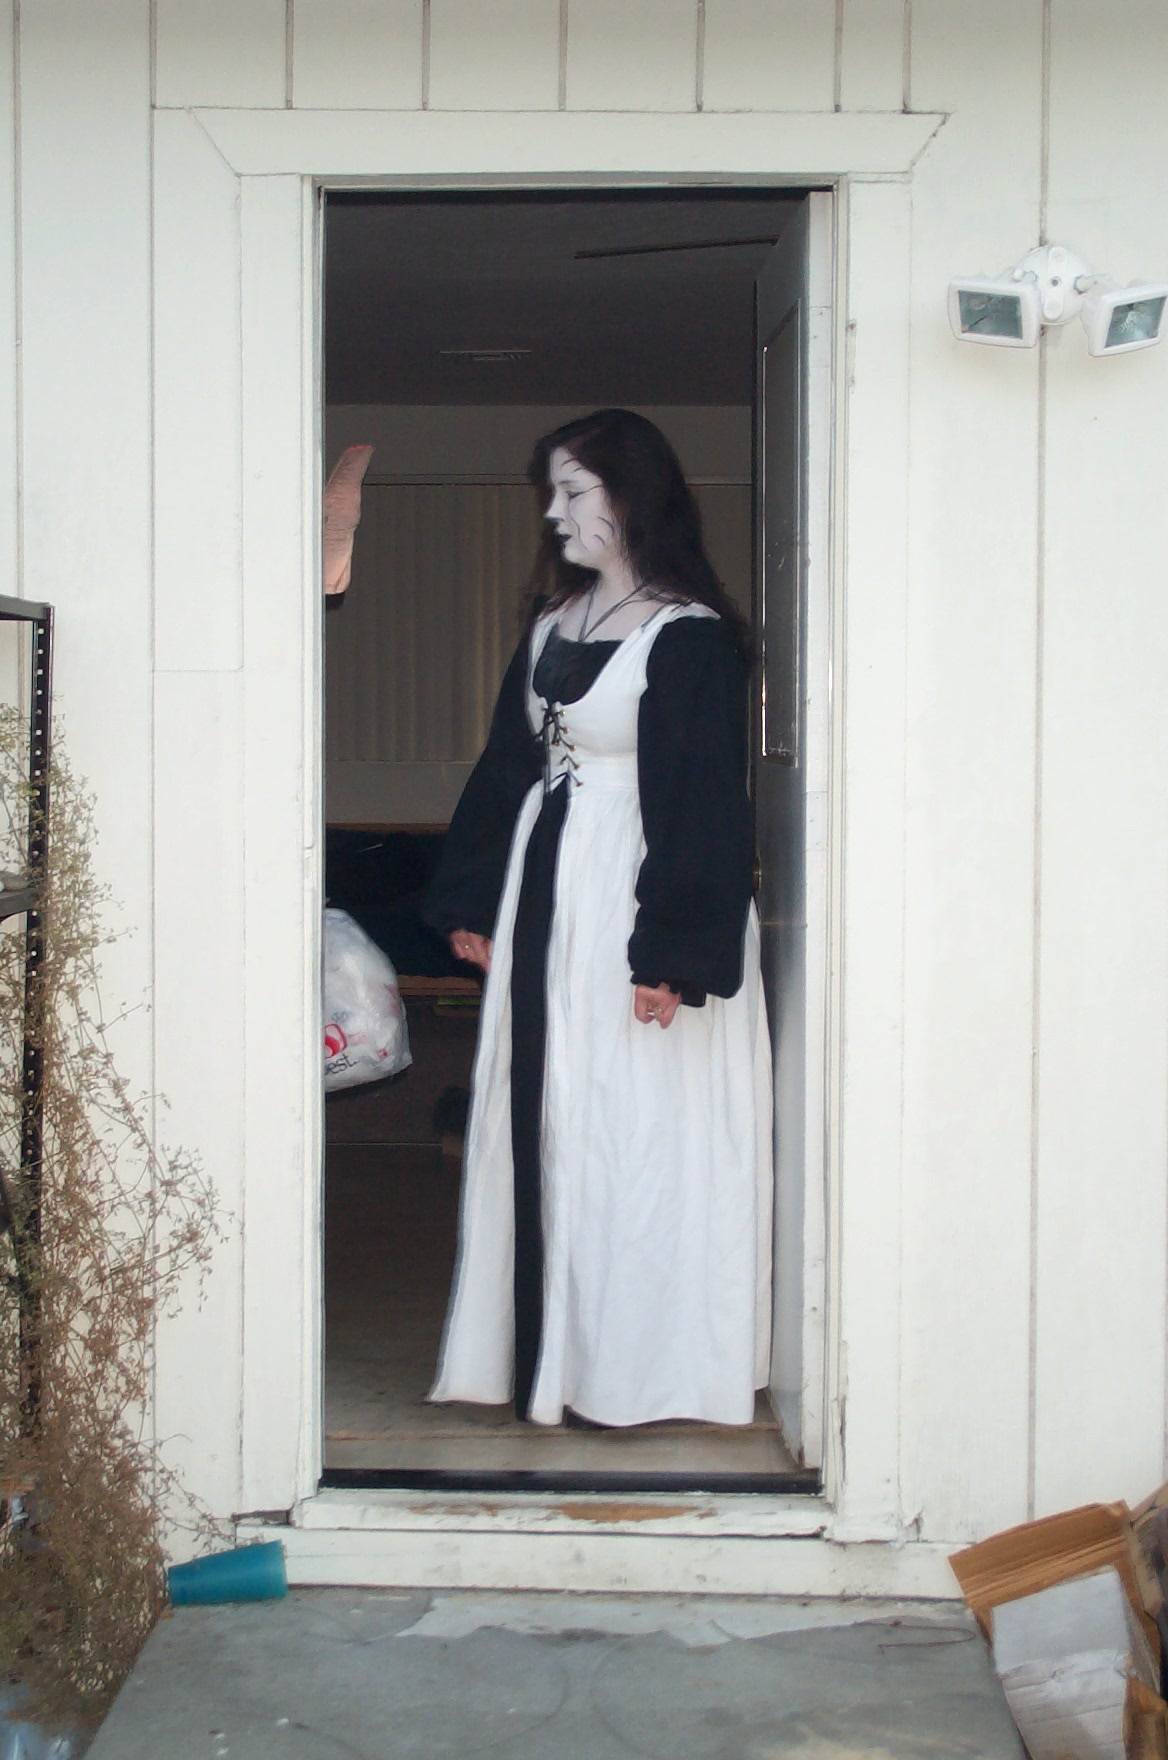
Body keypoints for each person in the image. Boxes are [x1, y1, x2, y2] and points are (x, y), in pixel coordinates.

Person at [425, 408, 772, 1429]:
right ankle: (552, 1355)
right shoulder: (553, 625)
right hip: (550, 893)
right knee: (547, 1114)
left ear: (629, 497)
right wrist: (473, 896)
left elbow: (703, 806)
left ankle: (639, 1366)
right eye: (555, 491)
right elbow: (508, 768)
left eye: (573, 490)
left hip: (635, 897)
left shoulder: (689, 638)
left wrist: (670, 955)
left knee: (633, 1126)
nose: (554, 511)